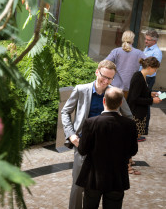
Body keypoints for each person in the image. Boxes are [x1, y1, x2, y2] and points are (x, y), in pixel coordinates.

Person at [61, 60, 133, 209]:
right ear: (97, 72)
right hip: (82, 145)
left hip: (107, 149)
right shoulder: (81, 90)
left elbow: (128, 117)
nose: (106, 81)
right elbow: (65, 111)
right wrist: (71, 134)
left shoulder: (114, 93)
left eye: (110, 78)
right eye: (103, 76)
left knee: (103, 188)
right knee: (78, 185)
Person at [76, 87, 138, 209]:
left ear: (103, 101)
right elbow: (133, 151)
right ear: (121, 103)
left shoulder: (90, 122)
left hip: (93, 177)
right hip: (117, 177)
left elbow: (82, 150)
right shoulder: (130, 124)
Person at [127, 56, 162, 142]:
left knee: (136, 136)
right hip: (135, 113)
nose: (155, 71)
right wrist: (152, 100)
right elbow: (134, 98)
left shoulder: (143, 76)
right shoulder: (138, 77)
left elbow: (140, 92)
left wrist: (150, 94)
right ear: (150, 67)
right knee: (133, 138)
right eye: (155, 69)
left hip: (140, 112)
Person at [105, 30, 146, 99]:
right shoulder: (139, 53)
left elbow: (105, 63)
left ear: (122, 39)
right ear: (133, 39)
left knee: (113, 107)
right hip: (131, 87)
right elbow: (149, 64)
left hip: (115, 86)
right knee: (126, 108)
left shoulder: (116, 51)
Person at [142, 30, 163, 135]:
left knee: (146, 101)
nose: (145, 41)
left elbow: (153, 68)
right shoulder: (147, 48)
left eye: (148, 40)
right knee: (146, 99)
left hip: (148, 79)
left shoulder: (157, 52)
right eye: (145, 38)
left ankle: (144, 128)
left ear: (154, 41)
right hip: (144, 77)